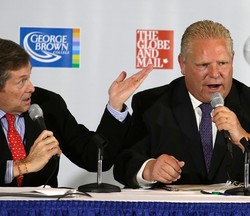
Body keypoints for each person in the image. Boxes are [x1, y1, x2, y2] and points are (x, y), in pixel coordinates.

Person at [113, 20, 250, 189]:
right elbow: (123, 164)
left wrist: (247, 140)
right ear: (182, 64)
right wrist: (149, 169)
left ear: (232, 59)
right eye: (203, 65)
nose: (214, 74)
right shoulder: (152, 105)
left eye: (222, 63)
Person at [0, 38, 153, 187]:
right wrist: (23, 166)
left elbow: (94, 158)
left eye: (29, 77)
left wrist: (115, 105)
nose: (31, 88)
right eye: (21, 81)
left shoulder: (47, 103)